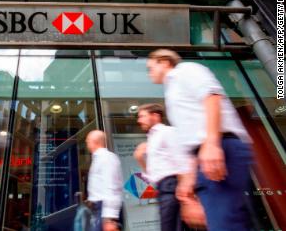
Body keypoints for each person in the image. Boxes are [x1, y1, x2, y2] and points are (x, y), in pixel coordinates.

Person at [146, 49, 253, 230]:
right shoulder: (171, 92)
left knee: (225, 222)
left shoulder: (186, 70)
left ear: (164, 62)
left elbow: (211, 97)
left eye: (150, 67)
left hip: (221, 146)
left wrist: (212, 143)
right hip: (204, 155)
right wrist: (188, 179)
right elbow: (188, 138)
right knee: (221, 220)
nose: (150, 73)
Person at [133, 103, 205, 231]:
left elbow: (183, 161)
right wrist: (140, 158)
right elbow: (153, 175)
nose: (139, 120)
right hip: (163, 188)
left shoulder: (167, 132)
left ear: (155, 116)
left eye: (142, 116)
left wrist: (188, 197)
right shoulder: (152, 139)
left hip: (172, 187)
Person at [85, 130, 123, 231]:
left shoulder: (107, 158)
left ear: (95, 142)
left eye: (88, 140)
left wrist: (109, 218)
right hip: (98, 210)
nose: (86, 143)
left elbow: (111, 187)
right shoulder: (98, 158)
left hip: (104, 210)